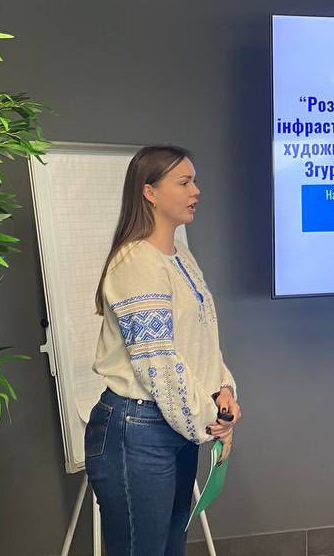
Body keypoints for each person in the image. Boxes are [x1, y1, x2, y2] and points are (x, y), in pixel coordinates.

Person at [86, 145, 242, 556]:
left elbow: (202, 341)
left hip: (174, 426)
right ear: (150, 192)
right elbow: (158, 362)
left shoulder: (180, 257)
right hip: (137, 430)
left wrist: (223, 391)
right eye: (184, 182)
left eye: (194, 181)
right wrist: (212, 418)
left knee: (170, 547)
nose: (196, 191)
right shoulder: (136, 262)